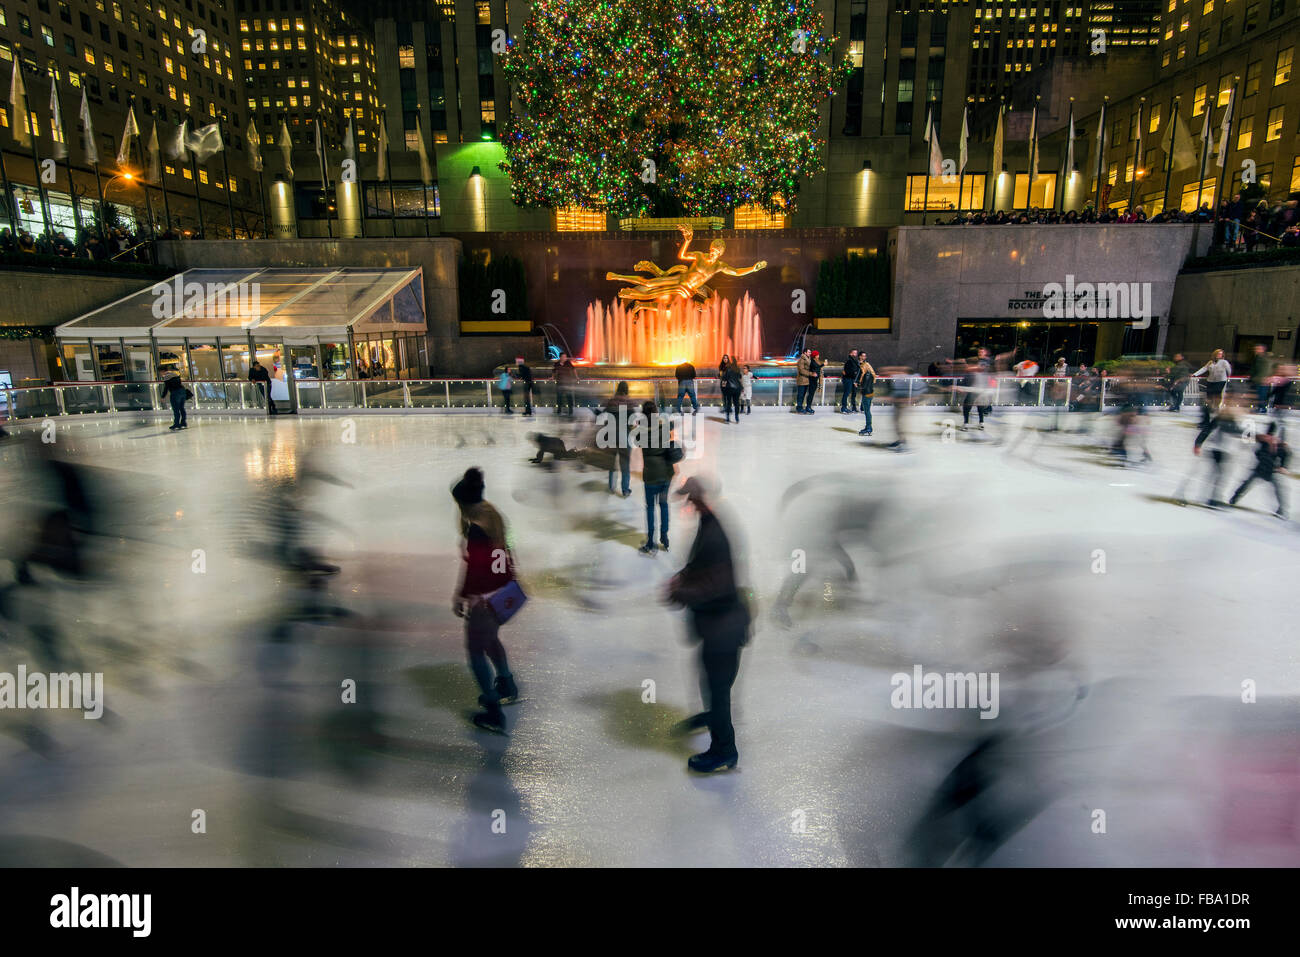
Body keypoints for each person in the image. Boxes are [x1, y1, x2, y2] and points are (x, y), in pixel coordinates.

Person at [665, 477, 750, 773]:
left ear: (700, 499)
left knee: (718, 689)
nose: (685, 504)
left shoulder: (715, 534)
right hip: (717, 627)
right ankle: (712, 715)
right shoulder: (708, 521)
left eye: (689, 498)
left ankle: (724, 750)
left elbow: (717, 586)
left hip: (724, 629)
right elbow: (699, 564)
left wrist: (679, 592)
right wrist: (684, 574)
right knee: (713, 684)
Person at [451, 468, 520, 734]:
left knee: (475, 651)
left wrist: (465, 596)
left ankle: (493, 711)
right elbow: (509, 547)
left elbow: (476, 568)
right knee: (490, 640)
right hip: (503, 592)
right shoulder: (493, 514)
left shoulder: (477, 529)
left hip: (485, 598)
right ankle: (506, 684)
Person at [637, 401, 678, 553]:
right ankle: (664, 537)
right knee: (664, 505)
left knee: (650, 508)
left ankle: (650, 542)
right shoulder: (664, 426)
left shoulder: (641, 431)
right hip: (665, 474)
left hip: (651, 476)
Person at [1229, 420, 1289, 518]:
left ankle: (1281, 509)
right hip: (1263, 469)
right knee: (1247, 483)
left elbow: (1284, 454)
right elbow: (1258, 452)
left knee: (1276, 488)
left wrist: (1282, 465)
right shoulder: (1267, 441)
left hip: (1267, 470)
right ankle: (1234, 499)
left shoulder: (1275, 443)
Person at [1189, 399, 1243, 508]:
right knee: (1219, 475)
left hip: (1223, 451)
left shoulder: (1228, 419)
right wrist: (1197, 444)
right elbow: (1207, 431)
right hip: (1217, 450)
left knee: (1218, 475)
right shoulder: (1221, 419)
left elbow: (1237, 431)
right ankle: (1212, 498)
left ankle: (1210, 497)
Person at [604, 381, 635, 497]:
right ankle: (625, 490)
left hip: (612, 436)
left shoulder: (611, 401)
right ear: (627, 390)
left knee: (612, 463)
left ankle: (611, 487)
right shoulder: (629, 403)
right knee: (625, 464)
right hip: (624, 436)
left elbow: (604, 417)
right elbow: (632, 422)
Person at [1191, 348, 1232, 425]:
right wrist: (1195, 374)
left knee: (1216, 395)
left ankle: (1216, 407)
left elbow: (1229, 370)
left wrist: (1228, 376)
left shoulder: (1224, 362)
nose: (1219, 355)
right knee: (1209, 398)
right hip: (1211, 381)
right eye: (1218, 353)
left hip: (1220, 381)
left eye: (1221, 354)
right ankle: (1209, 411)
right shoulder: (1210, 362)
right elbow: (1204, 369)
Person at [857, 355, 878, 436]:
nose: (861, 368)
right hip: (869, 393)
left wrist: (859, 385)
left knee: (867, 411)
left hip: (867, 394)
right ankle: (868, 426)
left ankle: (869, 427)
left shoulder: (867, 375)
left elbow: (864, 385)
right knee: (867, 411)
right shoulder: (869, 375)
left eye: (862, 366)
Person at [1249, 344, 1273, 413]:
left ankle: (1262, 408)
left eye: (1258, 349)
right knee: (1258, 395)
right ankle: (1260, 407)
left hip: (1262, 380)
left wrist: (1265, 378)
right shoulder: (1258, 357)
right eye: (1256, 349)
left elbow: (1266, 369)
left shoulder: (1263, 358)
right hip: (1258, 380)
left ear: (1263, 350)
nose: (1256, 350)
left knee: (1261, 395)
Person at [720, 356, 743, 423]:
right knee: (736, 403)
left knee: (728, 403)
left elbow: (724, 380)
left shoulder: (728, 371)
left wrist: (723, 389)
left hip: (729, 389)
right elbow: (740, 378)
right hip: (737, 389)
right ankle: (737, 417)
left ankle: (727, 418)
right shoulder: (737, 370)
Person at [840, 349, 861, 414]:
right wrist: (854, 373)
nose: (856, 354)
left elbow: (857, 370)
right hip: (848, 379)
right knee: (846, 393)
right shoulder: (849, 361)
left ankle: (853, 408)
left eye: (856, 353)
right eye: (854, 353)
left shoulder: (855, 361)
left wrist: (855, 378)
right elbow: (847, 372)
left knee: (853, 393)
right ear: (850, 354)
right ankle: (843, 408)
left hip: (852, 379)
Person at [793, 348, 812, 414]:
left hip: (806, 380)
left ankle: (801, 408)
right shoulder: (801, 360)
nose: (810, 353)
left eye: (810, 352)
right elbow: (801, 370)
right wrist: (811, 373)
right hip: (802, 380)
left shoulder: (808, 359)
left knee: (803, 395)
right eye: (809, 352)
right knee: (800, 395)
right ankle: (799, 408)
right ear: (805, 353)